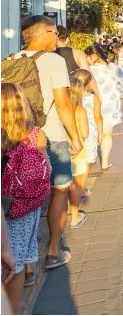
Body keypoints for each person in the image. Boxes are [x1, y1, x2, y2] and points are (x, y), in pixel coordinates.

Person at [8, 16, 80, 271]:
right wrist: (76, 137)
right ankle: (52, 251)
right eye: (54, 32)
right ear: (46, 32)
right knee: (59, 189)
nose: (56, 37)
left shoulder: (12, 59)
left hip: (18, 140)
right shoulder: (54, 60)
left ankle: (26, 265)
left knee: (28, 196)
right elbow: (63, 102)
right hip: (52, 136)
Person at [1, 83, 50, 307]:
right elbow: (45, 170)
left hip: (4, 205)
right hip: (25, 205)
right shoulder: (35, 134)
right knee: (16, 261)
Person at [86, 44, 123, 170]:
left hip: (92, 105)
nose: (86, 59)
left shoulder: (88, 70)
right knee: (107, 134)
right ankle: (104, 162)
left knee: (92, 132)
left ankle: (91, 157)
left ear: (94, 56)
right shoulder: (114, 68)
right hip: (110, 105)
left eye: (87, 56)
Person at [66, 77, 90, 229]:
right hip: (78, 152)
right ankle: (74, 217)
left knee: (62, 187)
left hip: (62, 151)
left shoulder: (60, 110)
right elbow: (86, 133)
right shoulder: (80, 110)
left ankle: (66, 209)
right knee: (76, 186)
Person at [70, 70, 100, 168]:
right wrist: (100, 132)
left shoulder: (70, 98)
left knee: (75, 161)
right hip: (89, 131)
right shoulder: (93, 98)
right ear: (88, 83)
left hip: (73, 129)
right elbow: (98, 117)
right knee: (86, 162)